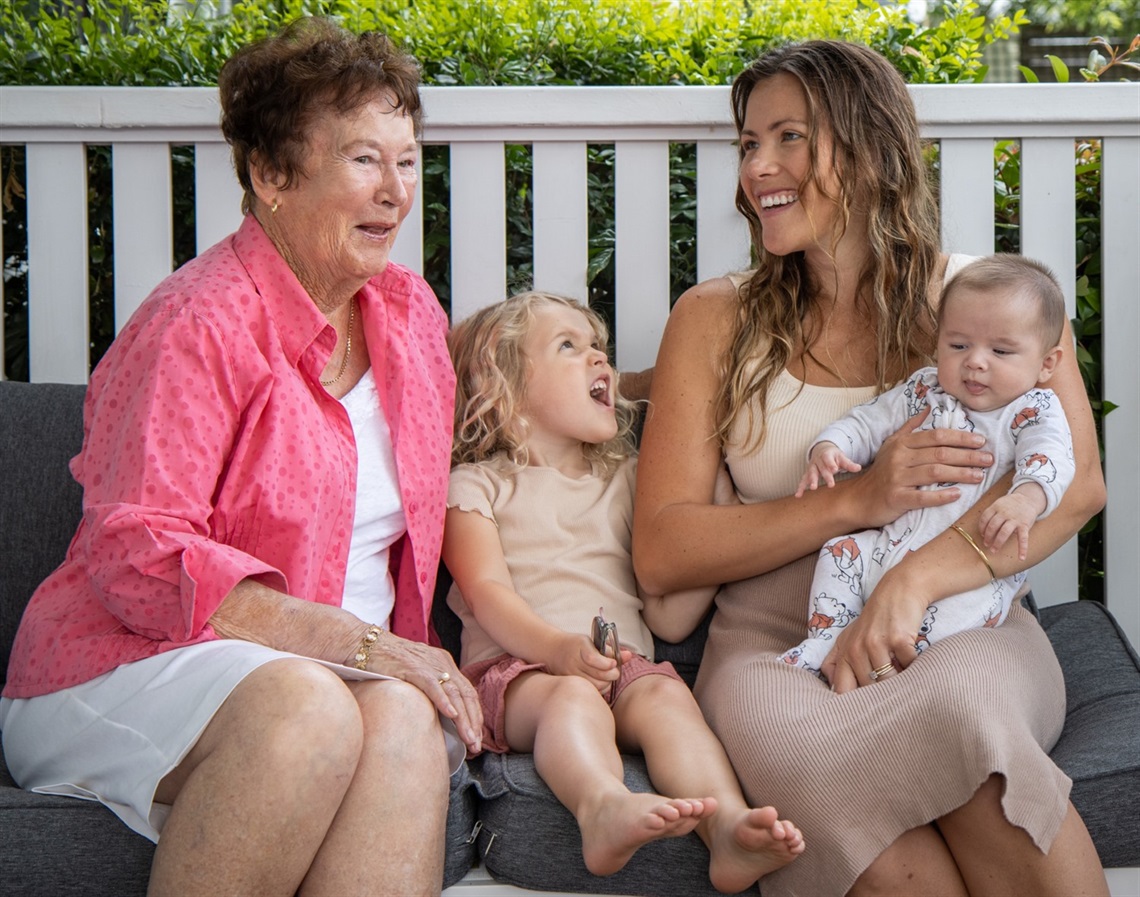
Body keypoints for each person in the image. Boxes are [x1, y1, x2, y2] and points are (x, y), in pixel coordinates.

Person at [0, 18, 481, 896]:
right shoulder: (198, 321)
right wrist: (362, 645)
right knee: (307, 709)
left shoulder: (410, 318)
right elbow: (137, 554)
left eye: (406, 160)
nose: (395, 191)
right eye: (363, 160)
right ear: (269, 175)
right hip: (121, 665)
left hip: (330, 672)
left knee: (407, 725)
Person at [632, 40, 1109, 897]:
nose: (758, 167)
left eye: (788, 138)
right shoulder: (712, 319)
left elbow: (1076, 486)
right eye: (748, 143)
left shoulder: (987, 301)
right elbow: (663, 550)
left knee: (964, 712)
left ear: (868, 148)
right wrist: (858, 497)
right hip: (776, 638)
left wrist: (915, 581)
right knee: (812, 767)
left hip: (968, 613)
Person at [442, 291, 804, 893]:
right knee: (572, 702)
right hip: (520, 674)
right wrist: (558, 651)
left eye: (599, 349)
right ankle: (602, 807)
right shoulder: (477, 486)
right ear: (498, 380)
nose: (599, 362)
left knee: (668, 700)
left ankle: (728, 831)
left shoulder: (626, 480)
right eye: (569, 347)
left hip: (623, 666)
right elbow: (486, 595)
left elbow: (672, 611)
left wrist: (723, 512)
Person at [782, 254, 1074, 676]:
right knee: (841, 552)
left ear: (1047, 364)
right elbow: (869, 421)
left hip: (963, 574)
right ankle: (828, 638)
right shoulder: (924, 388)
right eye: (958, 345)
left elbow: (1052, 458)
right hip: (888, 547)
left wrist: (1026, 500)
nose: (975, 361)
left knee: (960, 610)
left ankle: (899, 660)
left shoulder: (1032, 408)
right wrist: (829, 446)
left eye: (1001, 350)